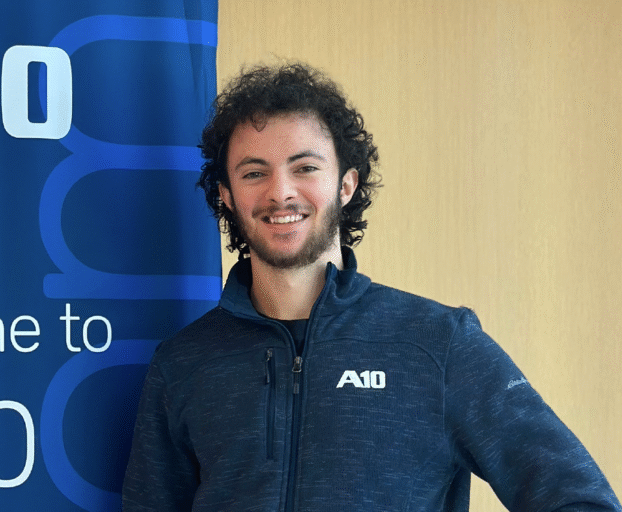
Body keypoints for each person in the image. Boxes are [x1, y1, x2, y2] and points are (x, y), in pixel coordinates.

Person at [121, 62, 619, 511]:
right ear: (227, 196)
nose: (280, 192)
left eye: (305, 168)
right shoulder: (183, 363)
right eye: (255, 173)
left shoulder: (438, 344)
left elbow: (581, 499)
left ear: (346, 185)